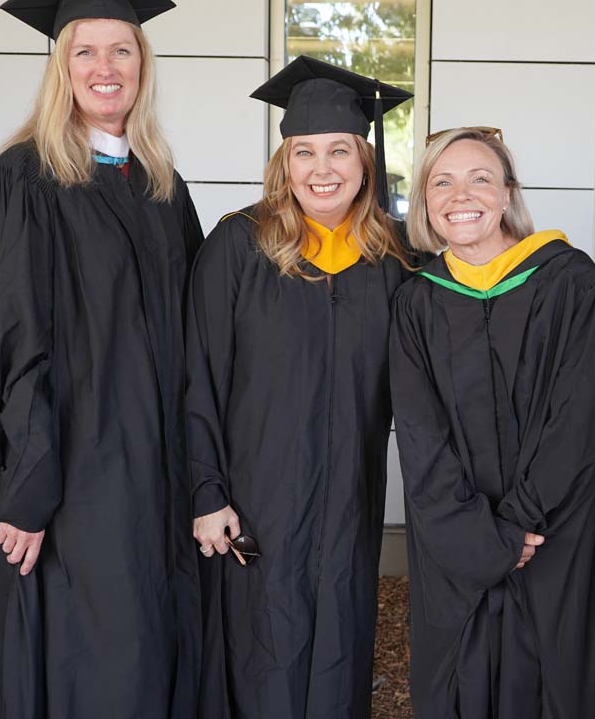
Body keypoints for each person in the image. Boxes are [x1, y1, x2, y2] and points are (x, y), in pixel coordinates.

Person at [0, 0, 203, 718]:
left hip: (155, 468)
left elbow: (198, 328)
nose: (106, 67)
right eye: (85, 51)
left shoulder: (161, 184)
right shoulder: (25, 180)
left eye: (121, 49)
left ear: (143, 63)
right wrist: (29, 489)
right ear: (60, 67)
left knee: (151, 639)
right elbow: (13, 337)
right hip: (76, 472)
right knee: (90, 655)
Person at [186, 56, 414, 719]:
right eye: (304, 151)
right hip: (258, 500)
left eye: (340, 150)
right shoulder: (238, 246)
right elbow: (197, 377)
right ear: (284, 164)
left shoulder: (395, 259)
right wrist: (208, 494)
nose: (323, 169)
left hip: (350, 495)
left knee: (342, 641)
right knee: (263, 651)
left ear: (364, 162)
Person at [390, 127, 595, 718]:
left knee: (549, 681)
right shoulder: (418, 300)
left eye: (480, 178)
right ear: (425, 202)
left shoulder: (570, 282)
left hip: (552, 536)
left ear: (508, 192)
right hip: (454, 542)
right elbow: (419, 434)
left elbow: (578, 417)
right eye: (442, 181)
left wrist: (515, 527)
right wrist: (478, 537)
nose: (460, 194)